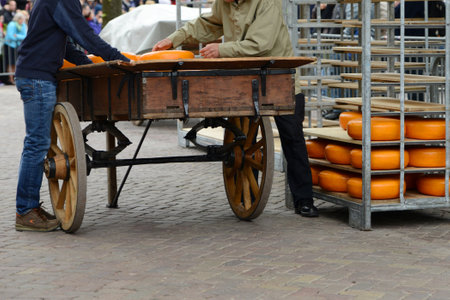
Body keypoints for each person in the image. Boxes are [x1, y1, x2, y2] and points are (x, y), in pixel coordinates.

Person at [153, 0, 318, 217]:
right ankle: (247, 196)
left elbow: (261, 44)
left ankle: (304, 199)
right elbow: (207, 24)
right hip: (243, 79)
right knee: (243, 138)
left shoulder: (267, 2)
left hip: (278, 76)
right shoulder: (224, 2)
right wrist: (173, 39)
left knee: (292, 138)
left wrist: (221, 49)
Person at [14, 0, 130, 231]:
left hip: (34, 75)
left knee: (36, 143)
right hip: (38, 78)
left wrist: (87, 65)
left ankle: (28, 208)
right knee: (37, 144)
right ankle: (25, 211)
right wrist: (120, 60)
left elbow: (64, 44)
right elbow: (85, 35)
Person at [3, 11, 26, 84]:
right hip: (10, 46)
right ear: (18, 19)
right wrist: (19, 37)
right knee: (10, 63)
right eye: (21, 19)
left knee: (16, 63)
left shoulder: (23, 25)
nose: (22, 21)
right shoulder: (11, 24)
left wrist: (17, 36)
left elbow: (25, 35)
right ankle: (11, 79)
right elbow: (10, 36)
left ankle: (15, 77)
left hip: (17, 46)